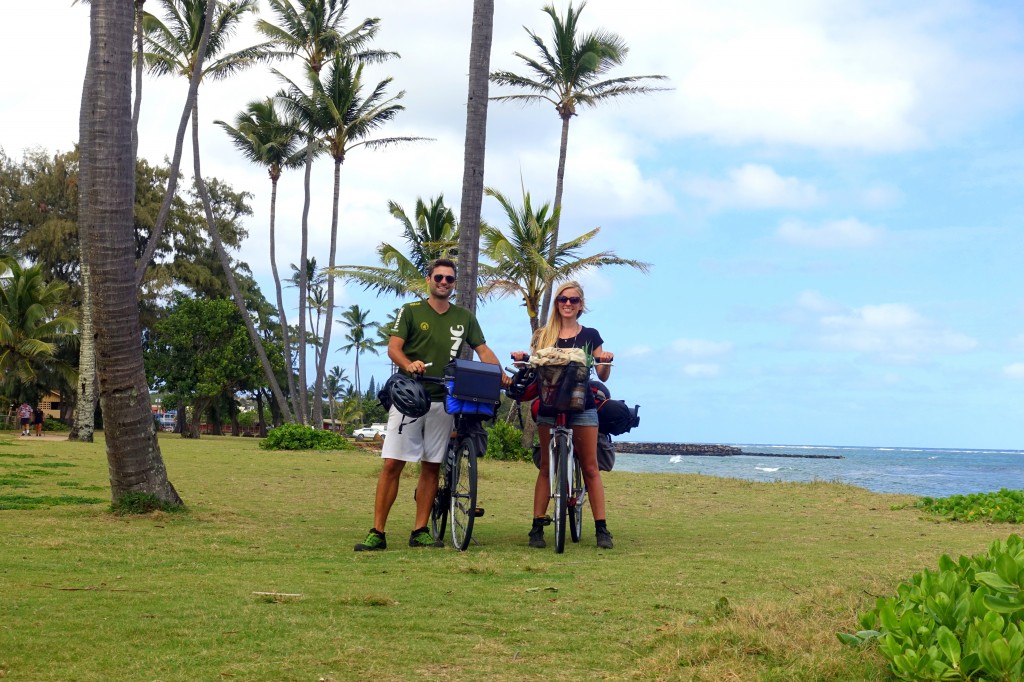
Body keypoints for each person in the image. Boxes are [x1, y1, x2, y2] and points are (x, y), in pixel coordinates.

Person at [354, 258, 510, 551]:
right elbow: (394, 348)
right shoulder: (411, 311)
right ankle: (377, 531)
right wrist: (408, 363)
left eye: (449, 279)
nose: (443, 283)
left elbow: (483, 349)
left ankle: (420, 531)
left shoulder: (464, 317)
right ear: (429, 279)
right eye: (439, 277)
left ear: (454, 284)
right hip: (410, 398)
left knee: (431, 467)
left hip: (444, 400)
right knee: (392, 464)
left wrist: (498, 374)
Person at [512, 281, 615, 550]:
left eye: (573, 300)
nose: (567, 304)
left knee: (591, 467)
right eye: (562, 299)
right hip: (550, 405)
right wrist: (522, 358)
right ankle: (536, 528)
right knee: (546, 467)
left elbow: (602, 371)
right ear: (557, 303)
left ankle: (602, 529)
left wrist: (604, 361)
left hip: (583, 405)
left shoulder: (590, 334)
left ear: (581, 305)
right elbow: (534, 365)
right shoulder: (543, 335)